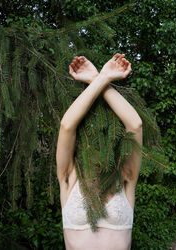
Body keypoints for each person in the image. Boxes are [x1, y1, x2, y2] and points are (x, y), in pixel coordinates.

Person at [56, 53, 143, 250]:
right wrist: (101, 78)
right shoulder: (70, 178)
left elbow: (135, 126)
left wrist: (101, 80)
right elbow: (67, 126)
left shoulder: (125, 178)